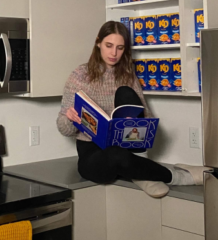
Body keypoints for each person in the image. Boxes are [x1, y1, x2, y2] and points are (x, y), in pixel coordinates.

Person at [57, 20, 209, 197]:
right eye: (109, 45)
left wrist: (135, 121)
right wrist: (70, 117)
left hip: (128, 145)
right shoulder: (80, 75)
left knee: (126, 93)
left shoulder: (127, 76)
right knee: (116, 155)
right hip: (93, 154)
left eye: (120, 48)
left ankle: (141, 171)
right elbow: (63, 128)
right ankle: (179, 177)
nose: (114, 53)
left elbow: (148, 117)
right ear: (98, 43)